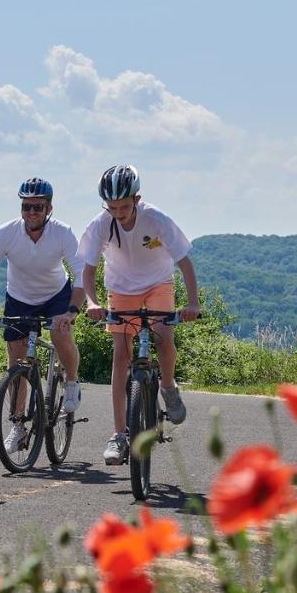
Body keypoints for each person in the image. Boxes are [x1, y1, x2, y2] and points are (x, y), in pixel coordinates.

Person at [78, 165, 200, 466]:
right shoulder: (100, 224)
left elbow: (184, 262)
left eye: (123, 206)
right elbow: (88, 270)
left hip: (158, 283)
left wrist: (193, 303)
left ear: (137, 199)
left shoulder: (156, 219)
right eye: (111, 207)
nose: (117, 213)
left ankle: (168, 387)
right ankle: (119, 434)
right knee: (121, 355)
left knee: (163, 337)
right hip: (121, 288)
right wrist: (92, 302)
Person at [0, 177, 84, 454]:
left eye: (38, 207)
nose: (31, 212)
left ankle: (71, 381)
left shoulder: (62, 233)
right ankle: (18, 424)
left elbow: (82, 272)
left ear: (49, 208)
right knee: (16, 361)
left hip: (55, 295)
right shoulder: (7, 232)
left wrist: (71, 311)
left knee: (61, 334)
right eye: (26, 207)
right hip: (20, 298)